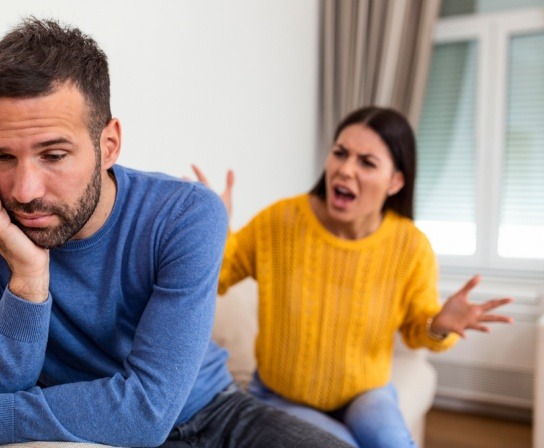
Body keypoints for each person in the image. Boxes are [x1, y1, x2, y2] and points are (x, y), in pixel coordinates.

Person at [0, 17, 351, 448]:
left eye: (53, 155)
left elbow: (147, 410)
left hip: (214, 413)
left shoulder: (186, 214)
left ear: (108, 145)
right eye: (3, 157)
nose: (25, 191)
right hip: (85, 433)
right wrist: (27, 282)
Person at [192, 106, 513, 448]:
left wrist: (441, 324)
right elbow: (218, 277)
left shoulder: (411, 246)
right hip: (282, 396)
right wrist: (214, 230)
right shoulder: (280, 221)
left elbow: (420, 330)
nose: (345, 170)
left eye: (366, 162)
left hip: (366, 393)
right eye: (340, 154)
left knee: (393, 441)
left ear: (396, 181)